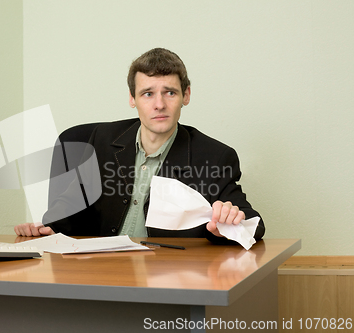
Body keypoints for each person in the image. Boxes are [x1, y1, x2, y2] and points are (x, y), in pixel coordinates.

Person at [15, 48, 265, 244]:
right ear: (132, 99)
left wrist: (229, 223)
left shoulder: (215, 156)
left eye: (170, 92)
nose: (159, 104)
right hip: (101, 271)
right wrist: (47, 229)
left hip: (169, 277)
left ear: (186, 96)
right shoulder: (101, 139)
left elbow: (254, 225)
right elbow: (71, 208)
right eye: (147, 94)